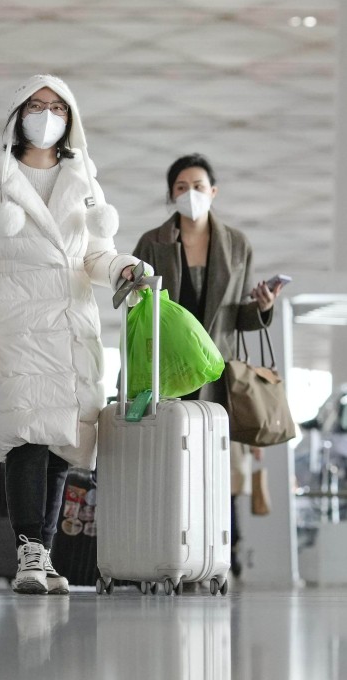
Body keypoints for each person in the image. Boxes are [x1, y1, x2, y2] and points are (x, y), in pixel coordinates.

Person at [0, 74, 146, 595]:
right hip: (11, 327)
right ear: (18, 113)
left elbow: (94, 254)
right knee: (24, 439)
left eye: (57, 106)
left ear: (70, 118)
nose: (46, 114)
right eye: (36, 105)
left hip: (69, 328)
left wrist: (123, 267)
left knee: (62, 447)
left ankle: (45, 555)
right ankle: (29, 551)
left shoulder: (84, 178)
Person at [132, 153, 283, 577]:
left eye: (198, 186)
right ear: (171, 195)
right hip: (169, 369)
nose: (190, 194)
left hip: (218, 370)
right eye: (181, 187)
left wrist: (264, 308)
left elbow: (240, 316)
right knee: (171, 463)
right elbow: (136, 308)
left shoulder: (237, 244)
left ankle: (226, 553)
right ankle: (171, 551)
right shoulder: (152, 243)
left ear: (213, 192)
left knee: (221, 465)